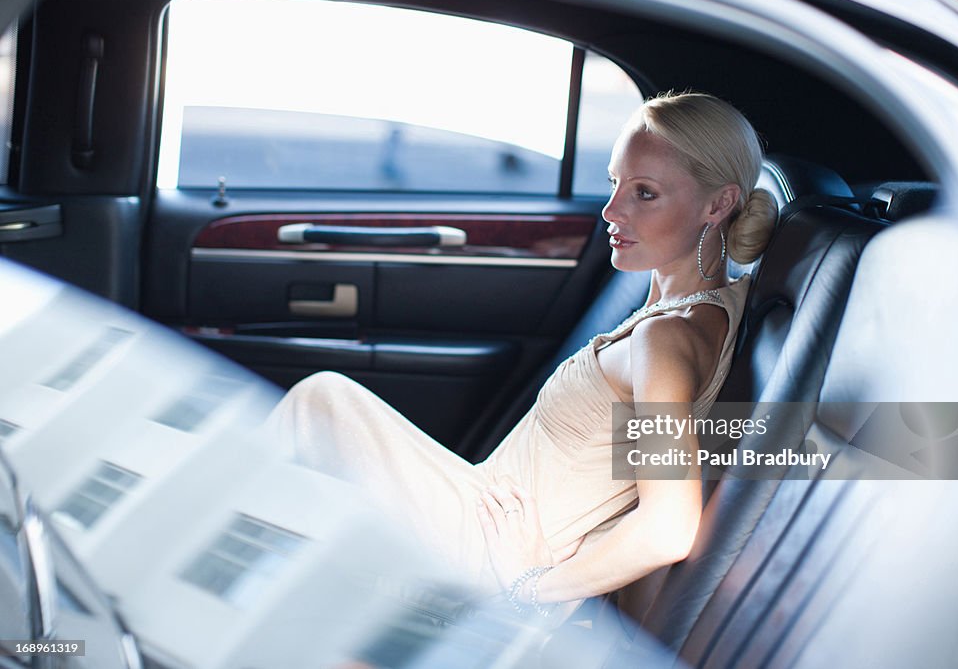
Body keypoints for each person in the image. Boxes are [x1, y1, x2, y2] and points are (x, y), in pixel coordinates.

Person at [267, 91, 778, 623]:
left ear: (717, 205)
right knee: (311, 454)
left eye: (644, 193)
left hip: (487, 555)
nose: (610, 211)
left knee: (320, 402)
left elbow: (669, 528)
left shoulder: (666, 340)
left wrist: (529, 587)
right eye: (614, 184)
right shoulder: (698, 311)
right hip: (486, 517)